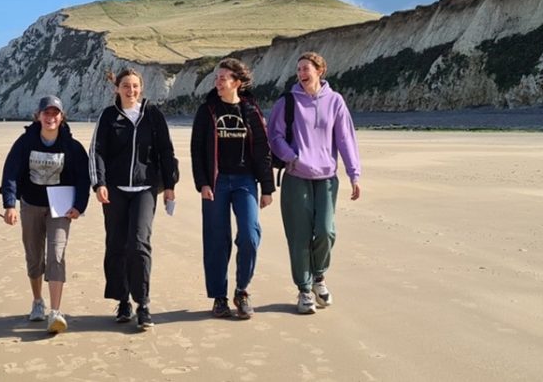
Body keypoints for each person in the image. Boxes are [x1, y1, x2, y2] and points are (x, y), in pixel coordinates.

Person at [267, 52, 362, 314]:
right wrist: (292, 157)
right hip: (296, 178)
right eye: (298, 69)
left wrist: (354, 174)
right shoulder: (288, 101)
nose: (301, 73)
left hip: (327, 179)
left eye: (306, 68)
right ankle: (304, 290)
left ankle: (319, 277)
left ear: (320, 71)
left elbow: (345, 139)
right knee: (298, 237)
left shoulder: (335, 101)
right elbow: (273, 136)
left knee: (326, 231)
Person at [89, 68, 178, 330]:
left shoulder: (152, 115)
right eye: (126, 86)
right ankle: (123, 300)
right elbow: (97, 151)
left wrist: (170, 185)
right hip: (114, 190)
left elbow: (166, 151)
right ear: (117, 88)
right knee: (116, 244)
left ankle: (143, 304)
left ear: (142, 88)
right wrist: (99, 183)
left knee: (139, 244)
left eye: (135, 86)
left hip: (145, 189)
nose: (131, 91)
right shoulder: (108, 116)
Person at [191, 58, 275, 320]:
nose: (218, 81)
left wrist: (267, 188)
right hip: (216, 182)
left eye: (224, 77)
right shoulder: (208, 110)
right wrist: (203, 182)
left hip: (245, 181)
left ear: (237, 82)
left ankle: (242, 290)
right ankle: (219, 297)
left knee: (250, 236)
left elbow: (262, 149)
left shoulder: (251, 110)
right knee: (217, 240)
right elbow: (197, 150)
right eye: (217, 77)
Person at [0, 95, 90, 334]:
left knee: (56, 255)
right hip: (31, 204)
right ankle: (38, 301)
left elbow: (83, 178)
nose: (51, 117)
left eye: (55, 113)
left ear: (62, 117)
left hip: (60, 207)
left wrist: (79, 206)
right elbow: (10, 172)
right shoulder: (25, 142)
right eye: (46, 113)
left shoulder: (72, 146)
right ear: (38, 116)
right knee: (34, 255)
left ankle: (55, 312)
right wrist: (10, 204)